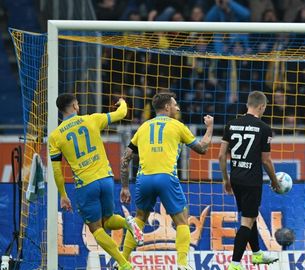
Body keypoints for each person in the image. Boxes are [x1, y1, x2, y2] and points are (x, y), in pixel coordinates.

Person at [119, 92, 213, 270]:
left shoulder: (143, 127)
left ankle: (123, 261)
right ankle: (182, 264)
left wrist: (124, 186)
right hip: (166, 177)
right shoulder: (177, 126)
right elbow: (202, 149)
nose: (177, 108)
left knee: (139, 218)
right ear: (167, 107)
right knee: (182, 221)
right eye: (175, 104)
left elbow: (126, 157)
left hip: (144, 178)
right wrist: (209, 128)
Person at [48, 94, 142, 270]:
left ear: (61, 111)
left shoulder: (55, 136)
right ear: (75, 106)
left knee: (96, 228)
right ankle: (127, 222)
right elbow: (121, 113)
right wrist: (122, 102)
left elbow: (57, 171)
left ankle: (123, 264)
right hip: (106, 178)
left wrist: (63, 194)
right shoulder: (92, 120)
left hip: (86, 184)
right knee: (108, 220)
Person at [218, 91, 281, 270]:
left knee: (249, 215)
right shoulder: (264, 128)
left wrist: (225, 178)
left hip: (236, 178)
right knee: (247, 221)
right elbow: (266, 160)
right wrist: (275, 181)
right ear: (261, 107)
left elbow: (221, 155)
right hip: (252, 181)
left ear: (248, 104)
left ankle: (257, 254)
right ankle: (235, 264)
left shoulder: (231, 125)